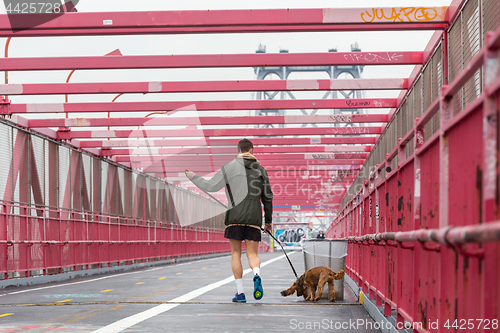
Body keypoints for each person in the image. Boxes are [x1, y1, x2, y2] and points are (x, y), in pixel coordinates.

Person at [186, 138, 273, 303]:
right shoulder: (261, 170)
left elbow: (211, 186)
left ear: (238, 151)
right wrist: (268, 221)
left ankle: (240, 293)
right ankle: (256, 274)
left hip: (234, 216)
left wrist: (193, 177)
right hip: (254, 218)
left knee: (235, 253)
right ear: (252, 151)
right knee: (252, 254)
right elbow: (268, 197)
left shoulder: (228, 168)